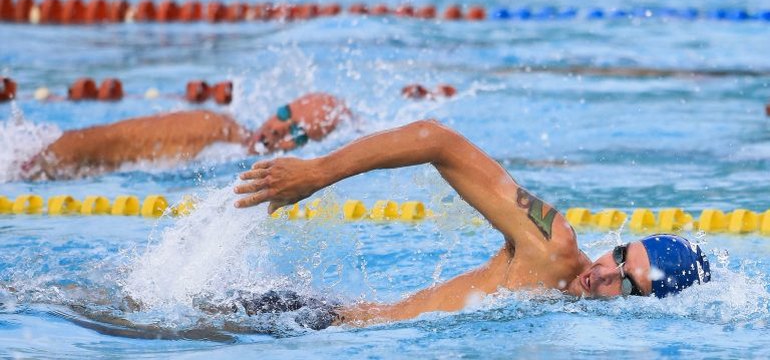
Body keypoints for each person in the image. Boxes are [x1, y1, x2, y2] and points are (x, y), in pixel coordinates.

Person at [233, 120, 711, 327]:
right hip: (311, 322)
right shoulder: (552, 244)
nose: (606, 273)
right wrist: (318, 173)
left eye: (626, 287)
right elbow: (437, 140)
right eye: (622, 257)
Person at [21, 92, 349, 180]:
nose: (279, 127)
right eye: (283, 113)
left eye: (296, 132)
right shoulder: (215, 127)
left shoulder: (227, 148)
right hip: (35, 162)